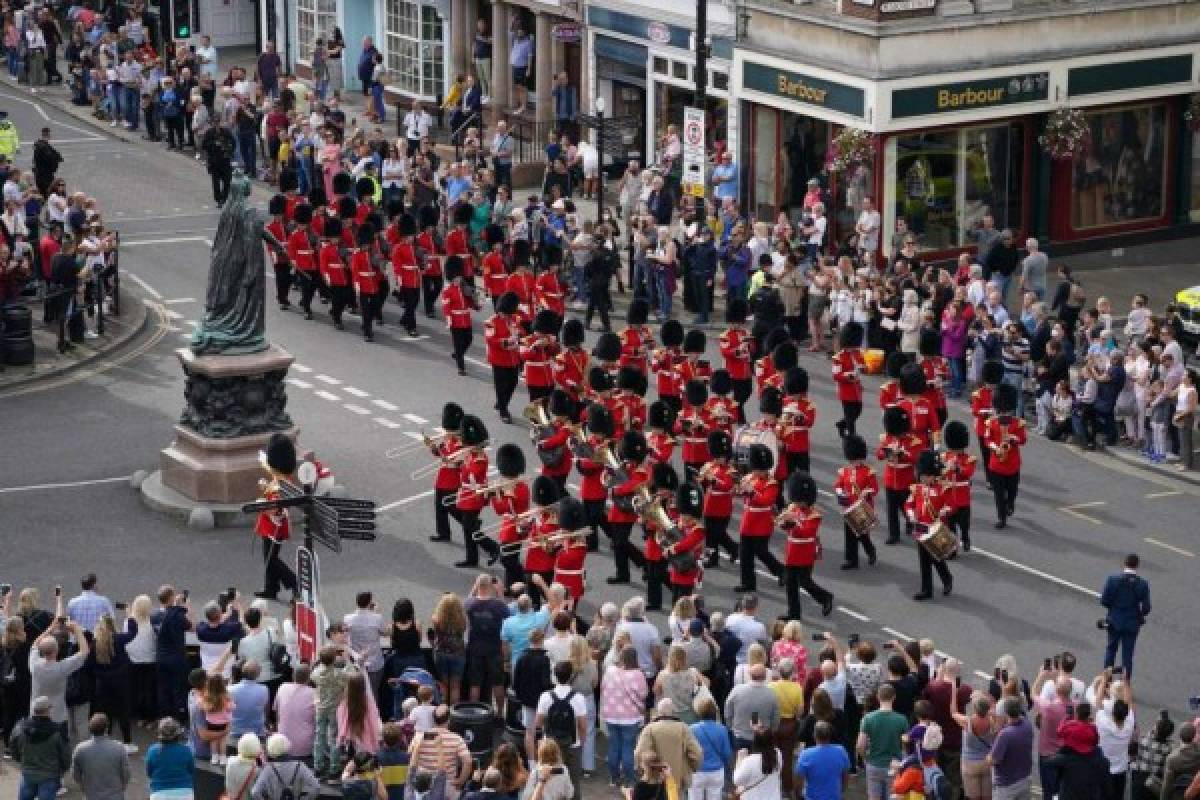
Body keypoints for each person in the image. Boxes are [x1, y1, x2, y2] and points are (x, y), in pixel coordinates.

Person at [1100, 553, 1151, 679]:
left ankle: (1106, 682)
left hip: (1114, 621)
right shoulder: (1143, 584)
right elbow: (1146, 608)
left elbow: (1104, 601)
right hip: (1132, 624)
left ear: (1124, 563)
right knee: (1127, 656)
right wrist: (1138, 614)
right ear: (1137, 566)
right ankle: (1124, 685)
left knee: (1111, 650)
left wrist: (1114, 609)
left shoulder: (1112, 579)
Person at [11, 696, 70, 800]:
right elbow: (66, 756)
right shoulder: (58, 731)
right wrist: (61, 770)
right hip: (49, 775)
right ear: (48, 710)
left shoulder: (20, 727)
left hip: (28, 773)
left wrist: (23, 762)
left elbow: (13, 749)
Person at [635, 698, 703, 789]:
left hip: (654, 780)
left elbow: (639, 752)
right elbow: (697, 753)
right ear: (673, 712)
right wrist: (692, 768)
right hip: (678, 779)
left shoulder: (650, 728)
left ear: (659, 712)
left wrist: (643, 770)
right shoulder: (683, 728)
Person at [72, 712, 131, 800]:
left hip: (91, 795)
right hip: (115, 795)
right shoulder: (119, 747)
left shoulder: (80, 749)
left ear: (90, 728)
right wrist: (123, 785)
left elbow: (75, 774)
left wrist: (82, 786)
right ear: (106, 729)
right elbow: (126, 772)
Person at [987, 697, 1034, 800]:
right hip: (1025, 779)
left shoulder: (1005, 734)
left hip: (1006, 785)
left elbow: (993, 760)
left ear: (1006, 713)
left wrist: (988, 756)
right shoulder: (1028, 725)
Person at [251, 732, 321, 799]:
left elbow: (255, 792)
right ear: (287, 745)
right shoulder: (300, 766)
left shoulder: (268, 769)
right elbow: (316, 787)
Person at [145, 717, 195, 800]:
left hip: (159, 793)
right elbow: (191, 770)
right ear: (178, 734)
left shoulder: (152, 751)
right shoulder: (186, 750)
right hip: (185, 793)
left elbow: (149, 773)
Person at [732, 729, 782, 800]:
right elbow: (779, 771)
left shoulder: (750, 761)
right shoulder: (777, 754)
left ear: (755, 742)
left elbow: (736, 780)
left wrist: (739, 759)